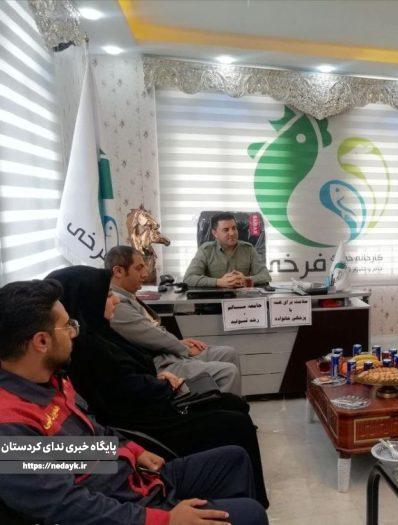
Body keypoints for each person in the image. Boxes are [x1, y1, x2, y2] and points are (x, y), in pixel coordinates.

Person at [0, 279, 268, 524]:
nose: (73, 333)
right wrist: (164, 519)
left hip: (132, 479)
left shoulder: (51, 381)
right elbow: (66, 505)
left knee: (234, 458)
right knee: (250, 514)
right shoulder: (10, 423)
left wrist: (131, 449)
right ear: (42, 341)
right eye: (68, 325)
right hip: (123, 506)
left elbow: (89, 434)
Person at [107, 245, 242, 395]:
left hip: (167, 352)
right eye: (139, 268)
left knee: (229, 353)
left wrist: (180, 343)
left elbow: (153, 331)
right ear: (118, 271)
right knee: (228, 372)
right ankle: (224, 409)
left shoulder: (127, 295)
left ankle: (231, 406)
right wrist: (184, 348)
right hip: (159, 363)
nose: (145, 274)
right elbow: (151, 336)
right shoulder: (116, 303)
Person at [183, 212, 271, 288]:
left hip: (243, 298)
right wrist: (218, 282)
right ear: (215, 233)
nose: (232, 233)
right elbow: (189, 278)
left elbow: (265, 275)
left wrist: (246, 279)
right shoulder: (206, 250)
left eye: (234, 228)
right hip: (215, 298)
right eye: (226, 230)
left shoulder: (248, 249)